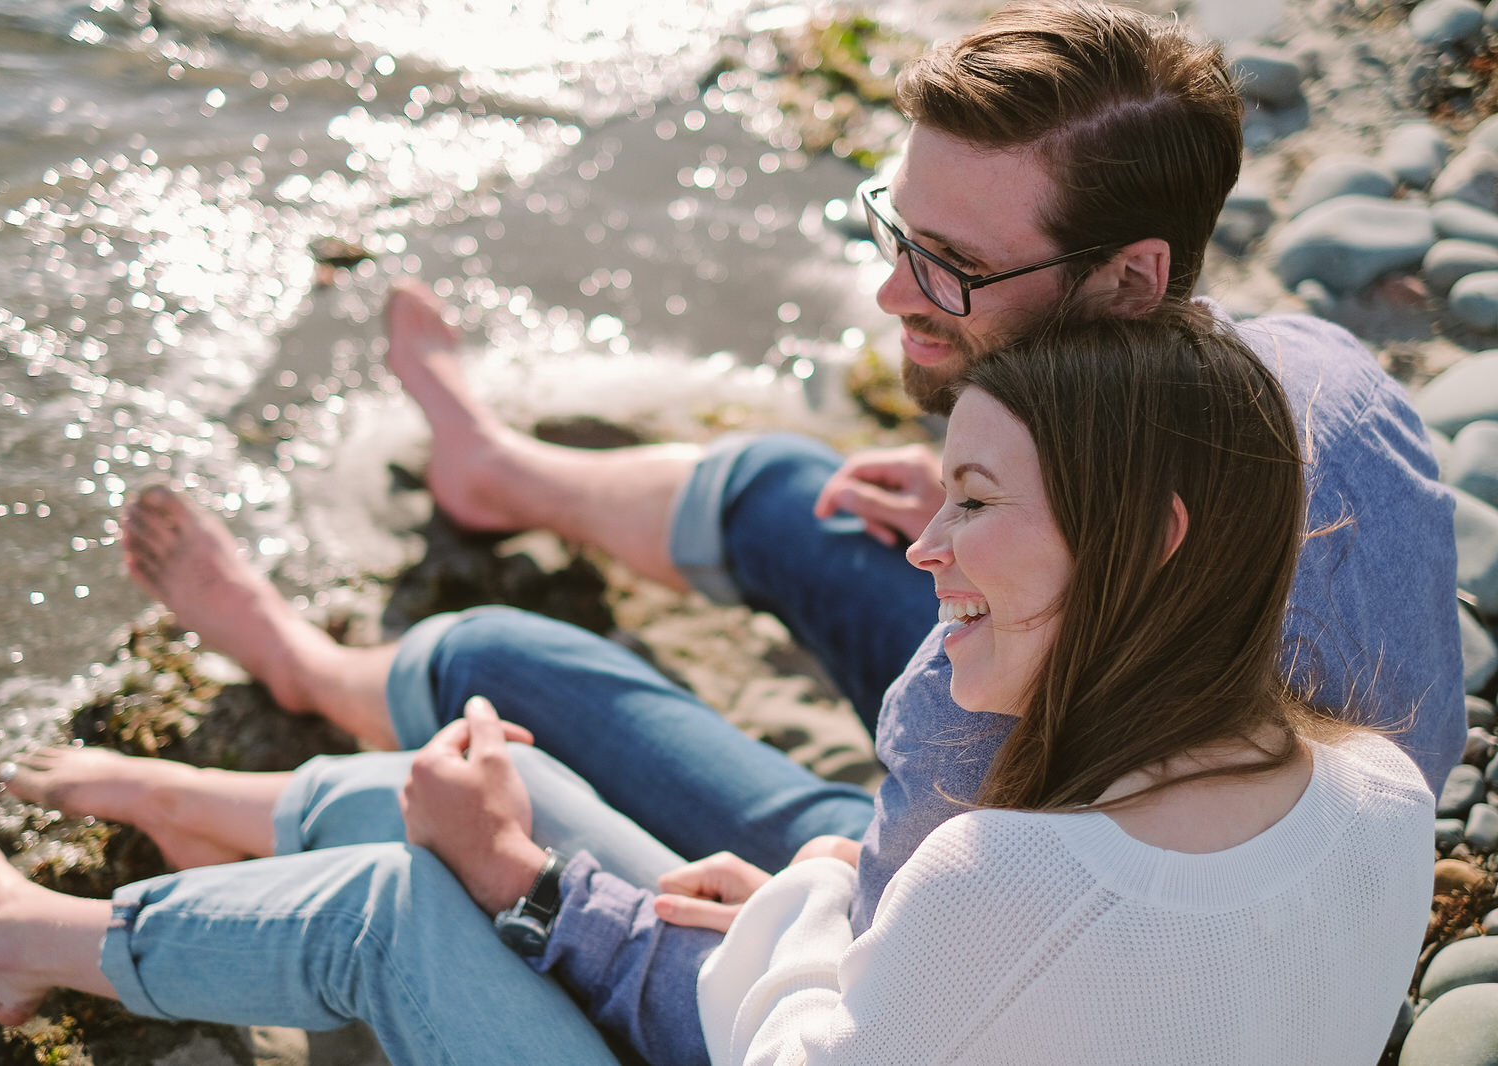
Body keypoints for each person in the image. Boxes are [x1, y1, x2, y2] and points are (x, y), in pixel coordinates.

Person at [0, 310, 1433, 1066]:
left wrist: (547, 894)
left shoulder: (1011, 871)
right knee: (534, 788)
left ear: (1148, 539)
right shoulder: (1377, 793)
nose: (929, 551)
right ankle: (219, 805)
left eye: (975, 500)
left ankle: (23, 937)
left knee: (400, 907)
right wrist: (831, 892)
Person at [106, 0, 1463, 814]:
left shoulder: (967, 704)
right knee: (787, 488)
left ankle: (302, 664)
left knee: (506, 665)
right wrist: (980, 494)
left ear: (1131, 275)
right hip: (1230, 811)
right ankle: (497, 470)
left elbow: (890, 964)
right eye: (897, 227)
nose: (890, 297)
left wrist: (746, 904)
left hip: (1044, 864)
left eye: (954, 267)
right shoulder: (1320, 365)